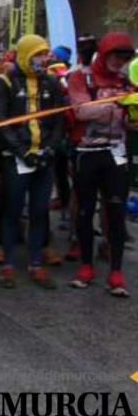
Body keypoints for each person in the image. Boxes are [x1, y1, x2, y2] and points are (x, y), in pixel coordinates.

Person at [0, 35, 65, 290]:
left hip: (44, 158)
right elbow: (1, 123)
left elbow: (59, 121)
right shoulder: (4, 82)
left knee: (39, 211)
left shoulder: (53, 82)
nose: (44, 59)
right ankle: (8, 265)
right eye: (39, 54)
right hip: (17, 159)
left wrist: (49, 149)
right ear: (25, 55)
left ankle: (36, 263)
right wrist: (22, 152)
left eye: (46, 54)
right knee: (12, 210)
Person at [67, 32, 135, 297]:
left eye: (126, 58)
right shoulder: (81, 78)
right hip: (87, 150)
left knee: (116, 211)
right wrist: (116, 103)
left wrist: (132, 115)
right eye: (117, 56)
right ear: (105, 54)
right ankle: (86, 265)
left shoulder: (125, 82)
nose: (120, 62)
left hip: (116, 151)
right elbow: (81, 110)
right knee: (85, 210)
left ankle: (116, 272)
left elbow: (129, 120)